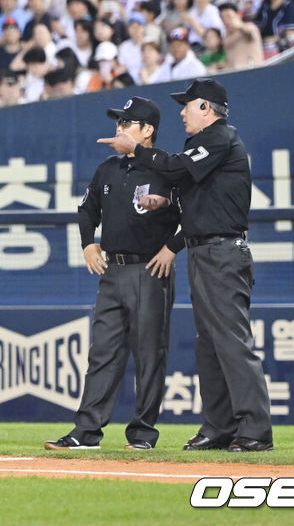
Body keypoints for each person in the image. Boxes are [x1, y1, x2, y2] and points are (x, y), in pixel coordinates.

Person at [98, 78, 274, 453]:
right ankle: (219, 427)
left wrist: (137, 150)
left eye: (189, 104)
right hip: (203, 251)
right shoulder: (204, 144)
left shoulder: (221, 137)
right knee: (208, 344)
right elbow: (192, 203)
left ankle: (255, 429)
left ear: (207, 108)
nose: (182, 112)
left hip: (224, 252)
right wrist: (167, 207)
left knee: (230, 341)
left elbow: (176, 167)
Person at [46, 97, 179, 451]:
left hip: (150, 269)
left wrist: (173, 248)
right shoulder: (108, 168)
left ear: (147, 130)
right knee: (102, 352)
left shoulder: (167, 168)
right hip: (112, 270)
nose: (119, 127)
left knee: (150, 354)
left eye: (127, 122)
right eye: (118, 122)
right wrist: (89, 243)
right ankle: (85, 432)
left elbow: (193, 214)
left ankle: (142, 434)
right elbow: (87, 209)